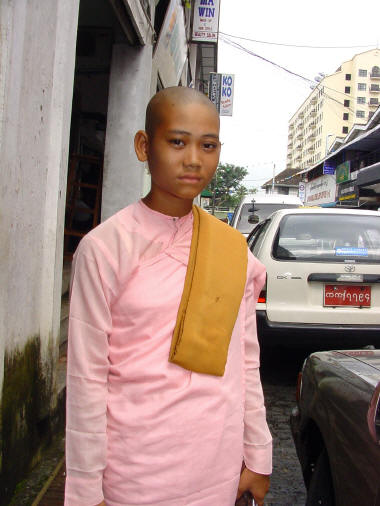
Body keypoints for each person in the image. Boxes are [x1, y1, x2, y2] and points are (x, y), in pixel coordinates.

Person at [64, 86, 272, 506]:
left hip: (218, 468)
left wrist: (258, 455)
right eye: (177, 142)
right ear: (144, 146)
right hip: (134, 474)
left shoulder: (233, 251)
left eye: (208, 145)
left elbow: (246, 362)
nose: (194, 159)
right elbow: (86, 379)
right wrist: (86, 490)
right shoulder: (106, 248)